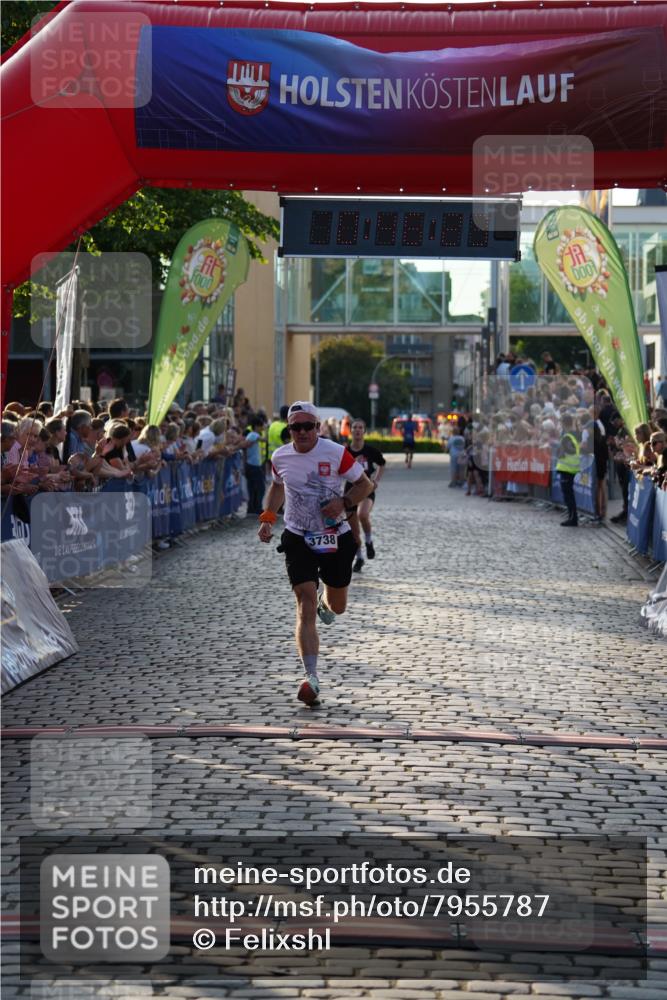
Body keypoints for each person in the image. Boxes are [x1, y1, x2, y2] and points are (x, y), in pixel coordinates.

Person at [257, 401, 373, 707]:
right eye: (296, 427)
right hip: (298, 536)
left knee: (337, 606)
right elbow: (277, 487)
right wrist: (268, 519)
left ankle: (327, 601)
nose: (303, 432)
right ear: (289, 430)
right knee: (303, 603)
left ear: (318, 428)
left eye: (308, 426)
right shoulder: (280, 457)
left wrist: (345, 503)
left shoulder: (335, 453)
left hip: (336, 535)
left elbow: (365, 483)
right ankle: (311, 677)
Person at [345, 418, 387, 573]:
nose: (357, 430)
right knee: (354, 532)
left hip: (367, 489)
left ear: (364, 431)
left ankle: (369, 541)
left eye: (360, 427)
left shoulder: (370, 451)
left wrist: (376, 480)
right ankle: (359, 558)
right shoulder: (345, 452)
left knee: (363, 514)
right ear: (350, 430)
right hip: (350, 491)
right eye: (355, 427)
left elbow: (382, 464)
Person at [556, 412, 581, 527]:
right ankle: (572, 517)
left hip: (566, 468)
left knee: (568, 495)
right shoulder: (576, 434)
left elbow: (561, 453)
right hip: (572, 468)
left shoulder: (567, 437)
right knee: (569, 494)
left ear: (563, 423)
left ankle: (573, 518)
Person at [238, 415, 267, 515]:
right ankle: (257, 507)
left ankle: (252, 508)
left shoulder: (251, 435)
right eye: (261, 426)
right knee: (260, 488)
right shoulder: (254, 435)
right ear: (256, 426)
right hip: (253, 465)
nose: (263, 428)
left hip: (251, 465)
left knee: (252, 487)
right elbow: (264, 440)